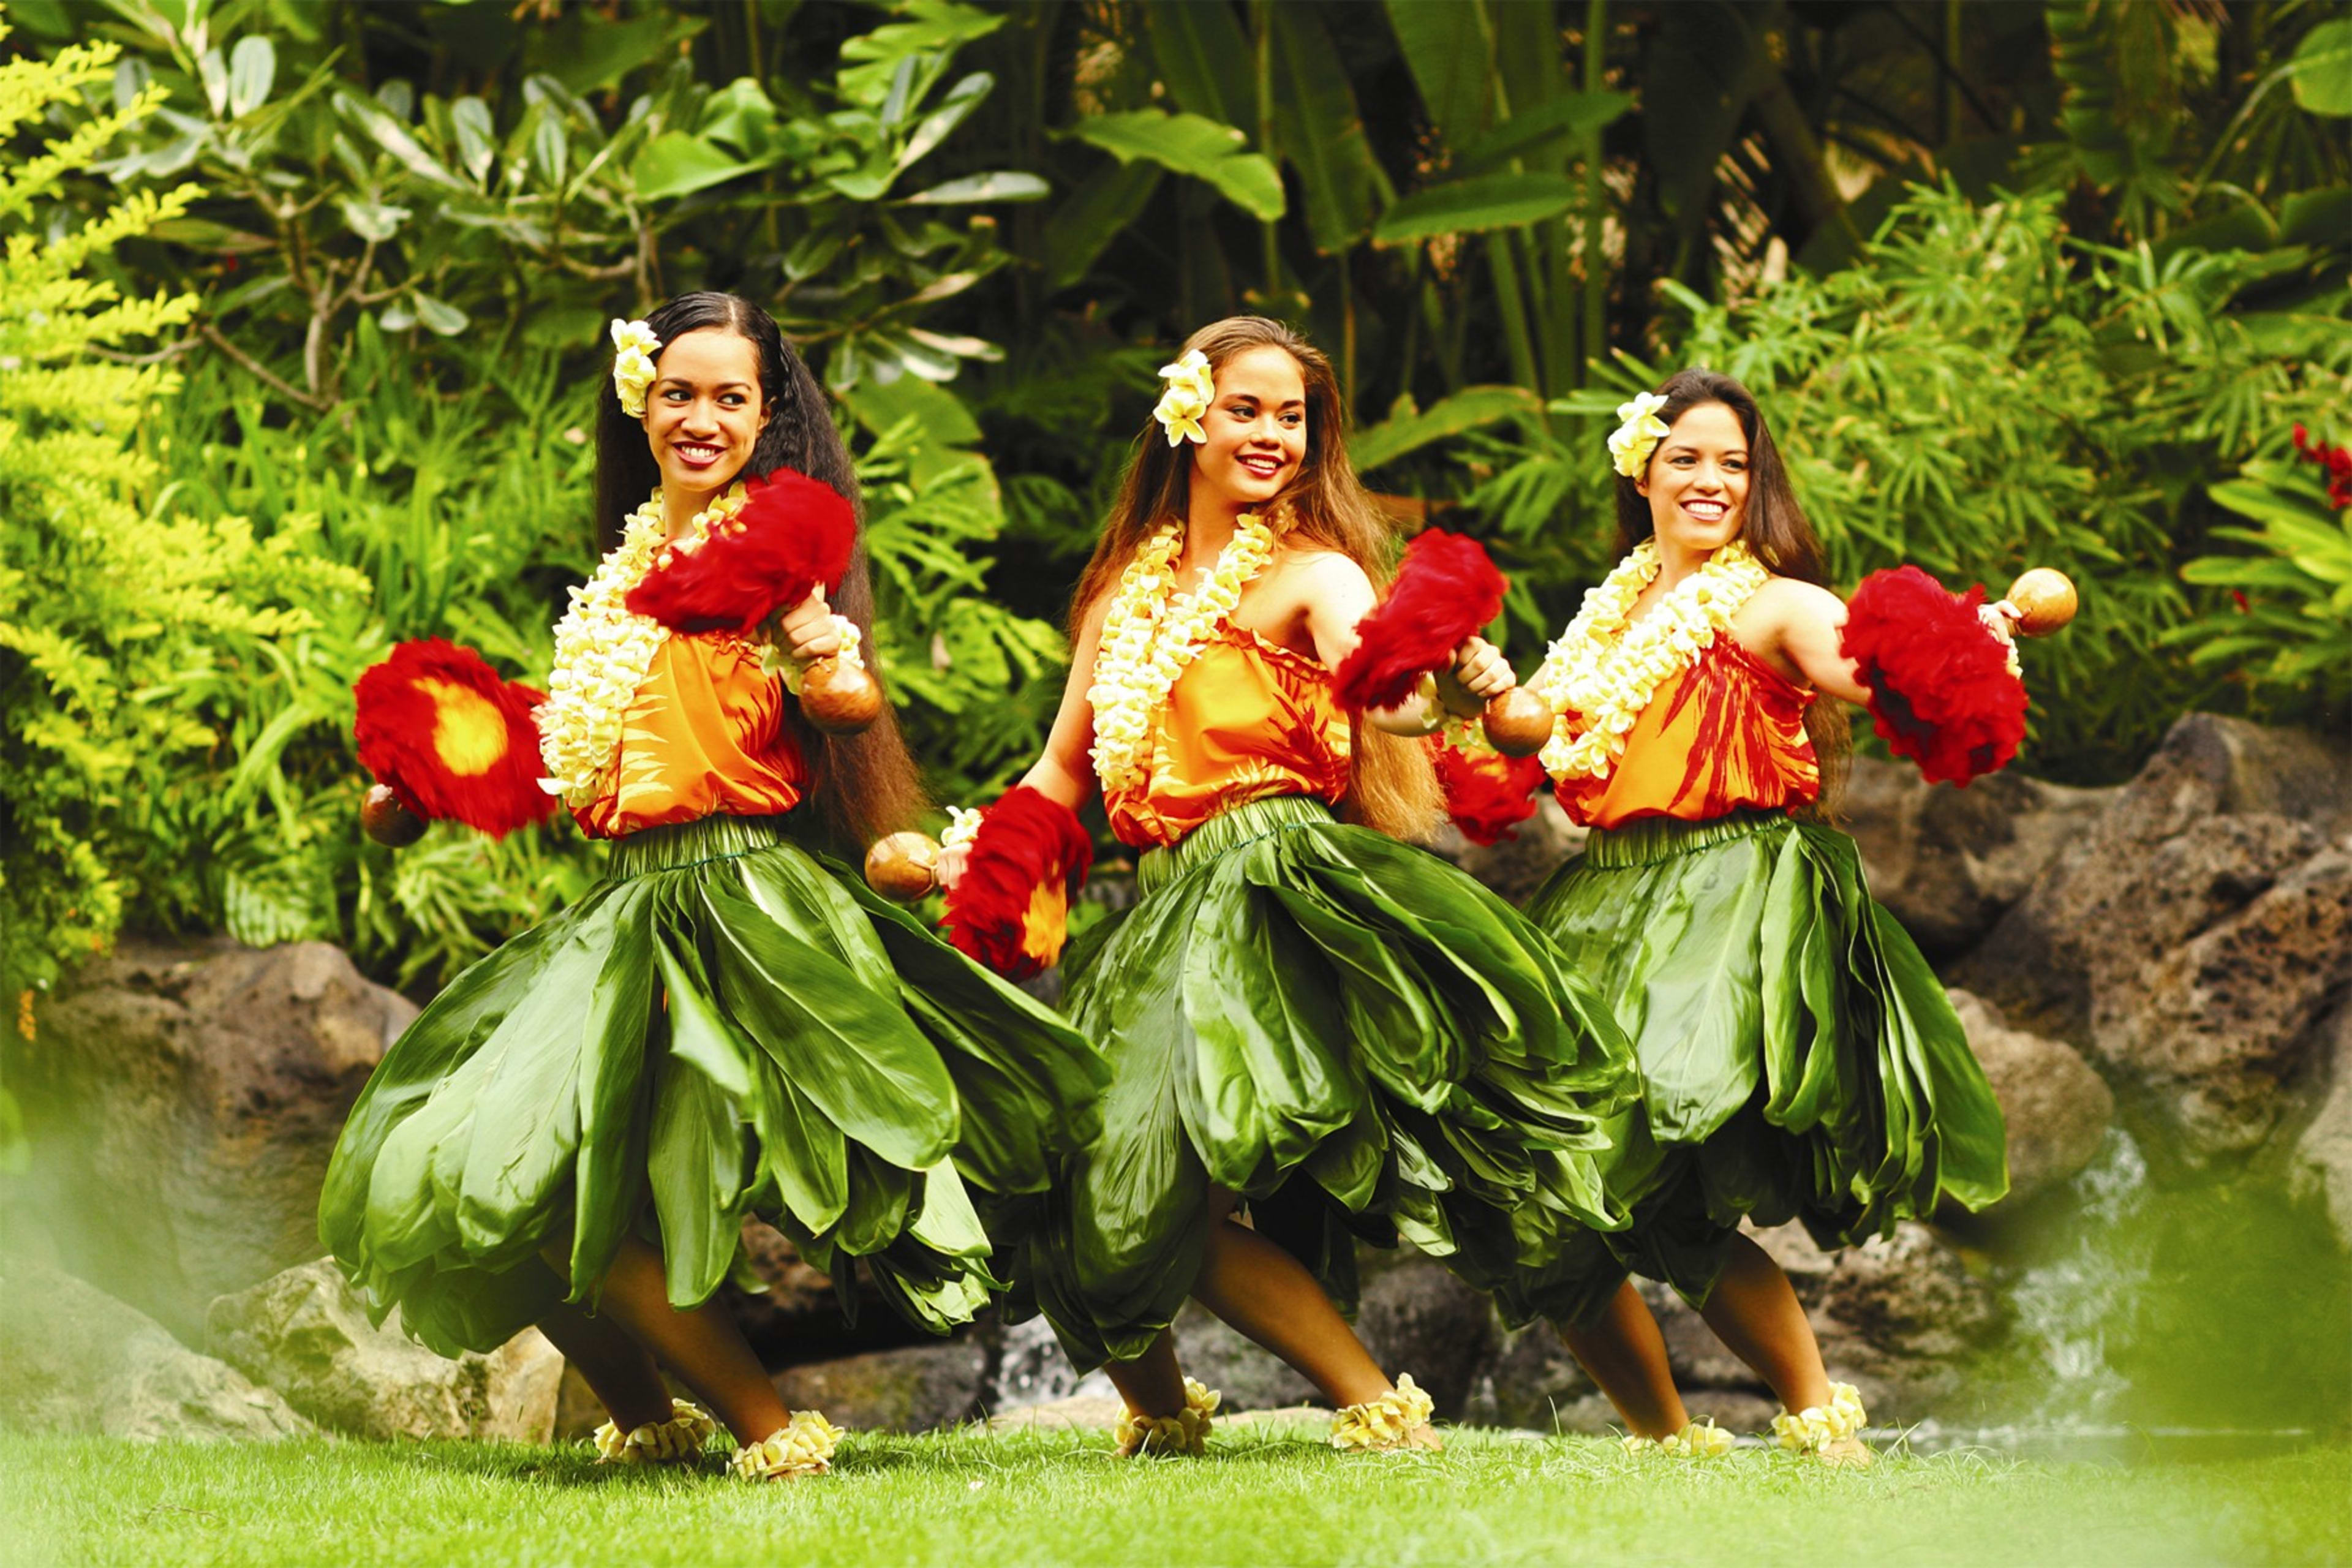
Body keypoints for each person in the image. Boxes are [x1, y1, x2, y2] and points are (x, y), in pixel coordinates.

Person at [317, 292, 1106, 1480]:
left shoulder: (775, 552)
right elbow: (590, 751)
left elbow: (833, 699)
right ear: (643, 400)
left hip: (742, 909)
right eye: (678, 391)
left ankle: (775, 1429)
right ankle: (649, 1421)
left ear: (767, 413)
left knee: (593, 1185)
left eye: (729, 395)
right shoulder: (625, 565)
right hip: (628, 909)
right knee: (499, 1180)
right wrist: (431, 781)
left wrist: (831, 670)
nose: (700, 415)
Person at [941, 317, 1634, 1457]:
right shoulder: (1126, 597)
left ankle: (1380, 1407)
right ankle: (1166, 1419)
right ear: (1187, 421)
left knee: (1476, 1169)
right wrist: (990, 853)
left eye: (1292, 416)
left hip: (1274, 883)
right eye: (1245, 410)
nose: (1271, 435)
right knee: (1085, 1181)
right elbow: (1063, 767)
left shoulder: (1315, 574)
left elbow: (1385, 692)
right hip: (1162, 908)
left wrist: (1449, 688)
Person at [1493, 367, 2011, 1464]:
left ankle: (1820, 1418)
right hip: (1606, 898)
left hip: (1728, 901)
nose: (1711, 480)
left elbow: (1854, 667)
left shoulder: (1772, 598)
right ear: (1643, 470)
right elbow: (1536, 740)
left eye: (1734, 462)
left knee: (1644, 1172)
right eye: (1686, 456)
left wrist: (1966, 643)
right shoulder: (1610, 615)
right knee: (1546, 1196)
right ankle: (1669, 1442)